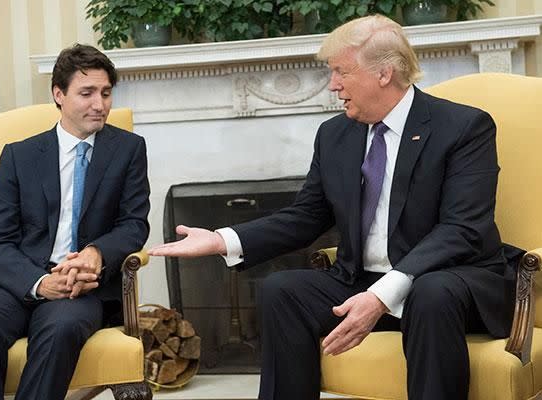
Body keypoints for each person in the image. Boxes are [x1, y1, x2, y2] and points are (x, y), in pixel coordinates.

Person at [149, 15, 519, 400]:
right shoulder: (335, 134)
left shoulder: (463, 127)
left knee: (430, 291)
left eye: (342, 72)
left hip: (450, 279)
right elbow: (307, 216)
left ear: (384, 73)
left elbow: (461, 229)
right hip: (362, 279)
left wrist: (381, 296)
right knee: (282, 290)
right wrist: (222, 240)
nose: (333, 85)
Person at [0, 43, 150, 400]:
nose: (100, 104)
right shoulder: (19, 155)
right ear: (59, 94)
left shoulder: (129, 149)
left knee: (60, 329)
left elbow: (134, 224)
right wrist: (39, 282)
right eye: (86, 93)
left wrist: (96, 253)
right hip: (12, 280)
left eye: (106, 93)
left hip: (81, 285)